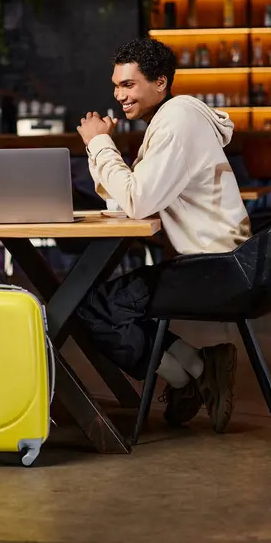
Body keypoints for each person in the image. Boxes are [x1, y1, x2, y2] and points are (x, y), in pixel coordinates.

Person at [76, 38, 252, 434]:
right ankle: (196, 369)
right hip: (223, 263)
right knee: (102, 305)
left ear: (160, 82)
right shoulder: (171, 121)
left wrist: (99, 143)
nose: (119, 95)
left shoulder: (177, 120)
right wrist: (100, 150)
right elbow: (131, 200)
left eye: (128, 85)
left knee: (94, 309)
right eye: (116, 85)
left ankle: (189, 374)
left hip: (217, 270)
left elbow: (137, 201)